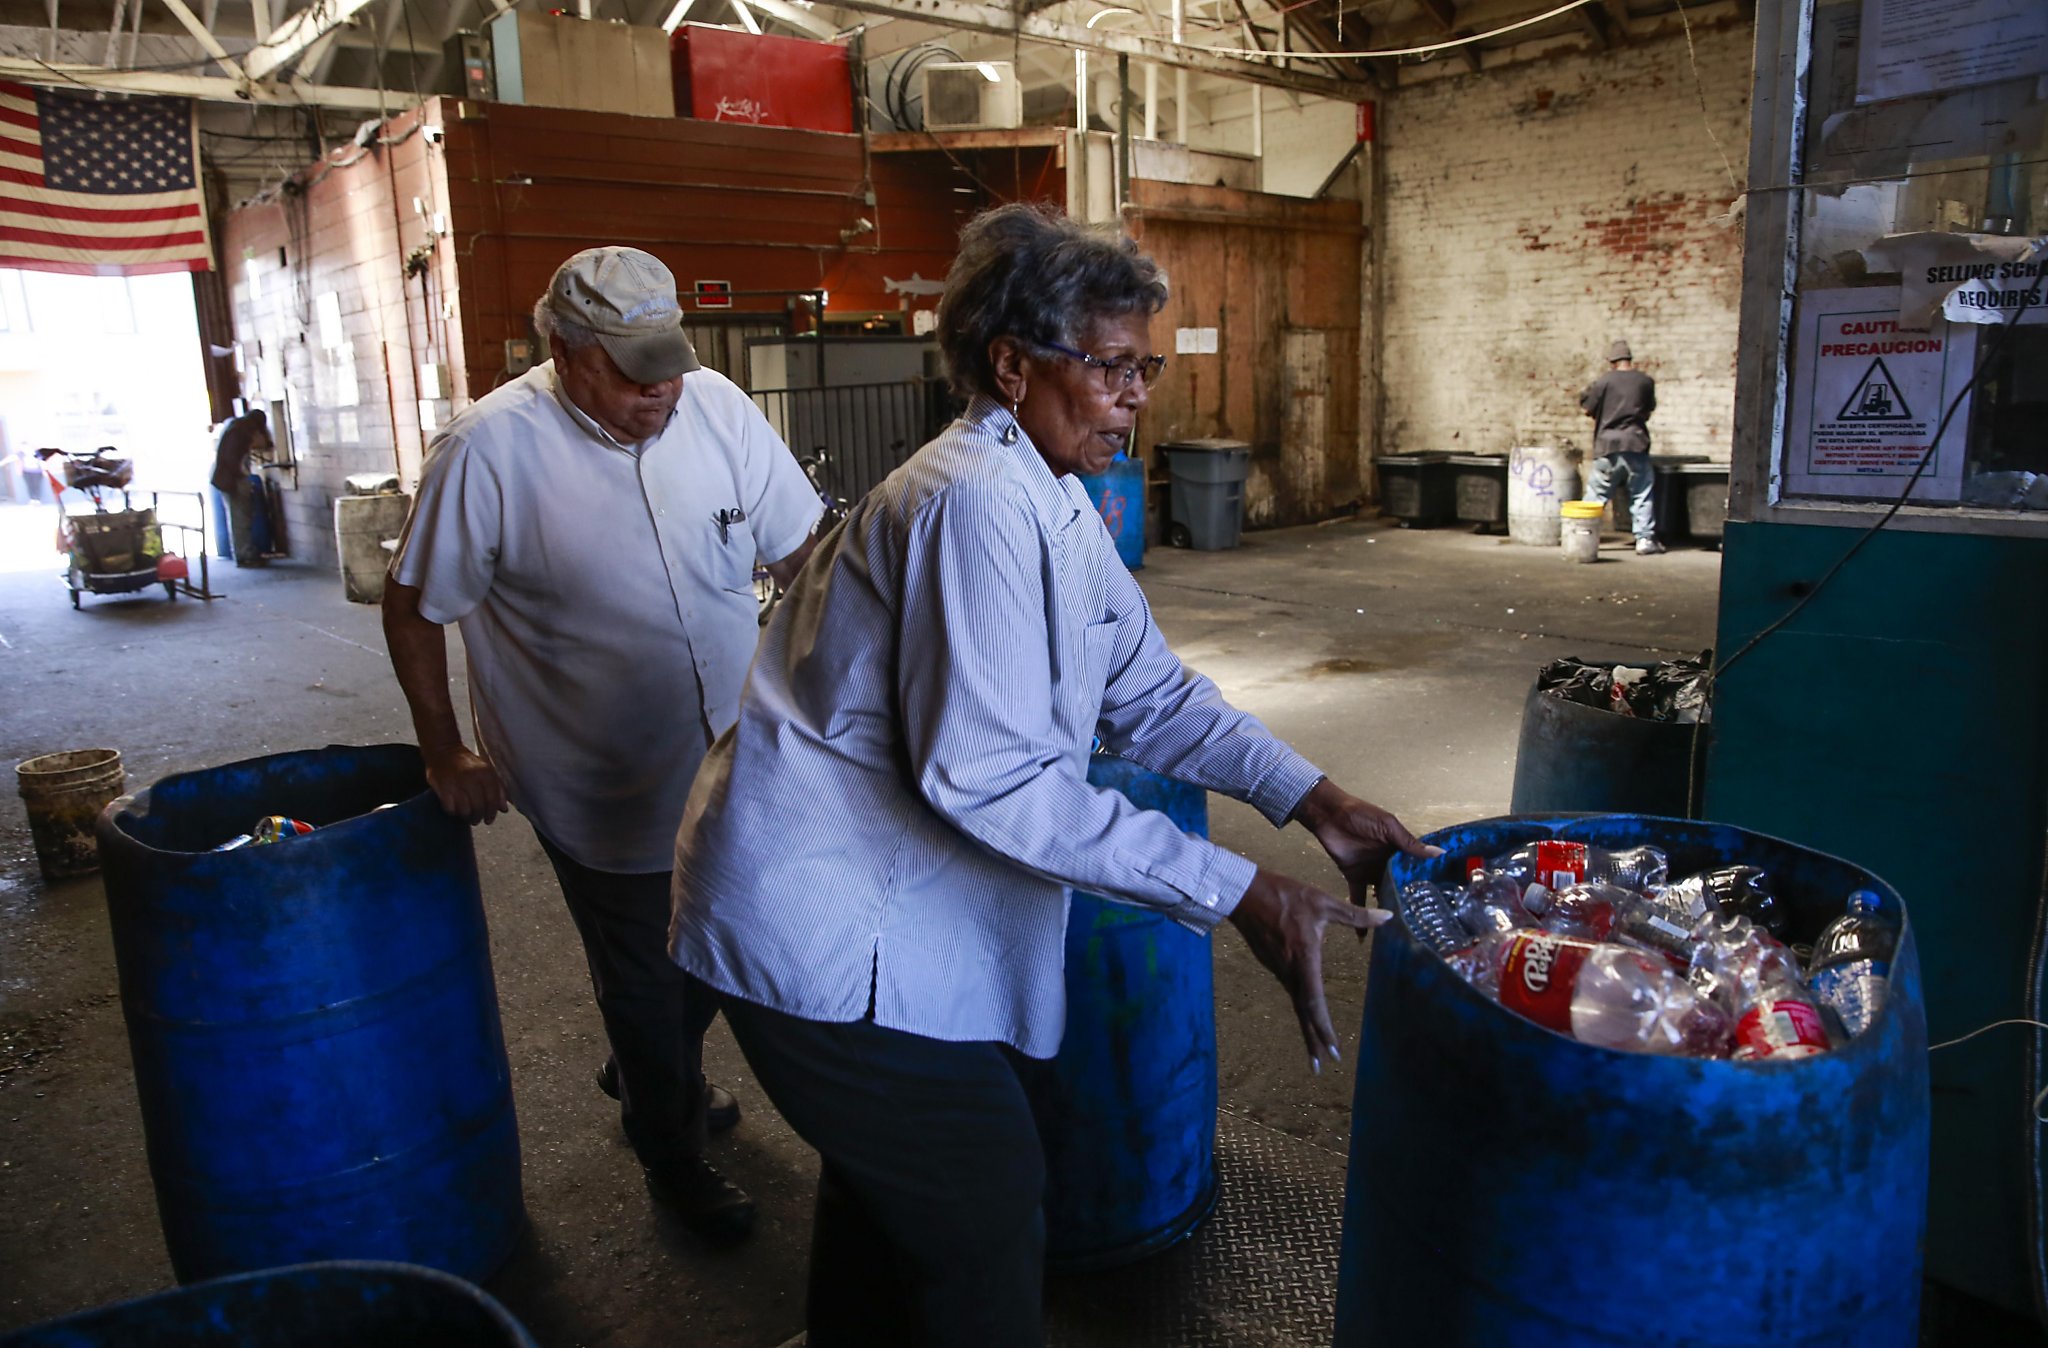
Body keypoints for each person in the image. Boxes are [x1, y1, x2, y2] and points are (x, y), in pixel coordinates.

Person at [667, 203, 1437, 1345]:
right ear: (1013, 365)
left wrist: (1310, 799)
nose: (1136, 394)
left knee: (903, 1195)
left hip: (874, 917)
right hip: (818, 924)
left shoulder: (1055, 501)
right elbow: (988, 775)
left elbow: (1149, 693)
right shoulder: (972, 500)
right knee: (981, 1204)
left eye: (1145, 366)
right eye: (1110, 366)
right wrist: (1235, 889)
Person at [381, 246, 823, 1244]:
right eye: (628, 371)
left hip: (732, 753)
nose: (656, 391)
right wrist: (445, 751)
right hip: (593, 778)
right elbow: (412, 609)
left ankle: (644, 1063)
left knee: (722, 938)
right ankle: (669, 1152)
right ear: (561, 351)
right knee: (648, 970)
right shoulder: (489, 451)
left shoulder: (711, 406)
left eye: (665, 360)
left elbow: (800, 554)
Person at [1578, 339, 1663, 555]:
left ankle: (1583, 535)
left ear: (1612, 361)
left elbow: (1588, 409)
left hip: (1607, 446)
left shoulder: (1604, 382)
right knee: (1641, 493)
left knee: (1597, 495)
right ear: (1629, 359)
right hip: (1636, 443)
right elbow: (1648, 410)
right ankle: (1644, 540)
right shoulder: (1645, 382)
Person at [209, 409, 272, 566]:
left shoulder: (236, 427)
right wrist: (242, 477)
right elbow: (233, 460)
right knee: (240, 518)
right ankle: (244, 555)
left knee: (239, 518)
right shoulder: (241, 432)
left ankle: (244, 553)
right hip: (231, 480)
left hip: (225, 479)